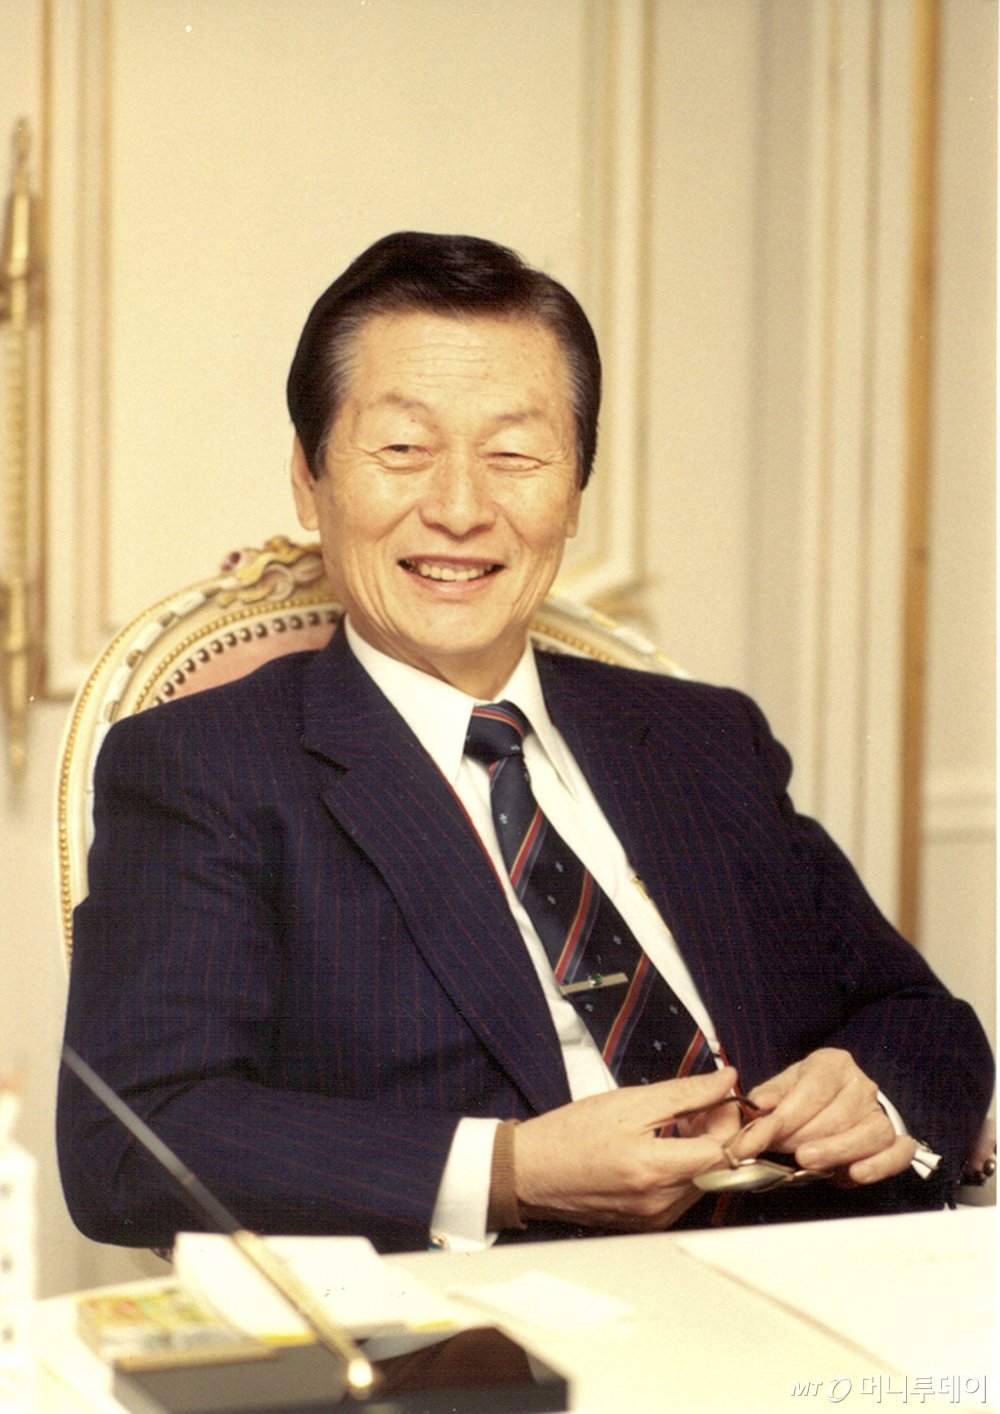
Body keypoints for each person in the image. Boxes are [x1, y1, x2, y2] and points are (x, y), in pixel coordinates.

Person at [58, 232, 993, 1253]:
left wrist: (872, 1093)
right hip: (501, 1321)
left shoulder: (703, 735)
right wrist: (509, 1173)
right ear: (309, 477)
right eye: (403, 449)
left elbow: (918, 1013)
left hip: (830, 1272)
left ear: (576, 489)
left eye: (514, 455)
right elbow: (131, 1139)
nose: (461, 509)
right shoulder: (204, 766)